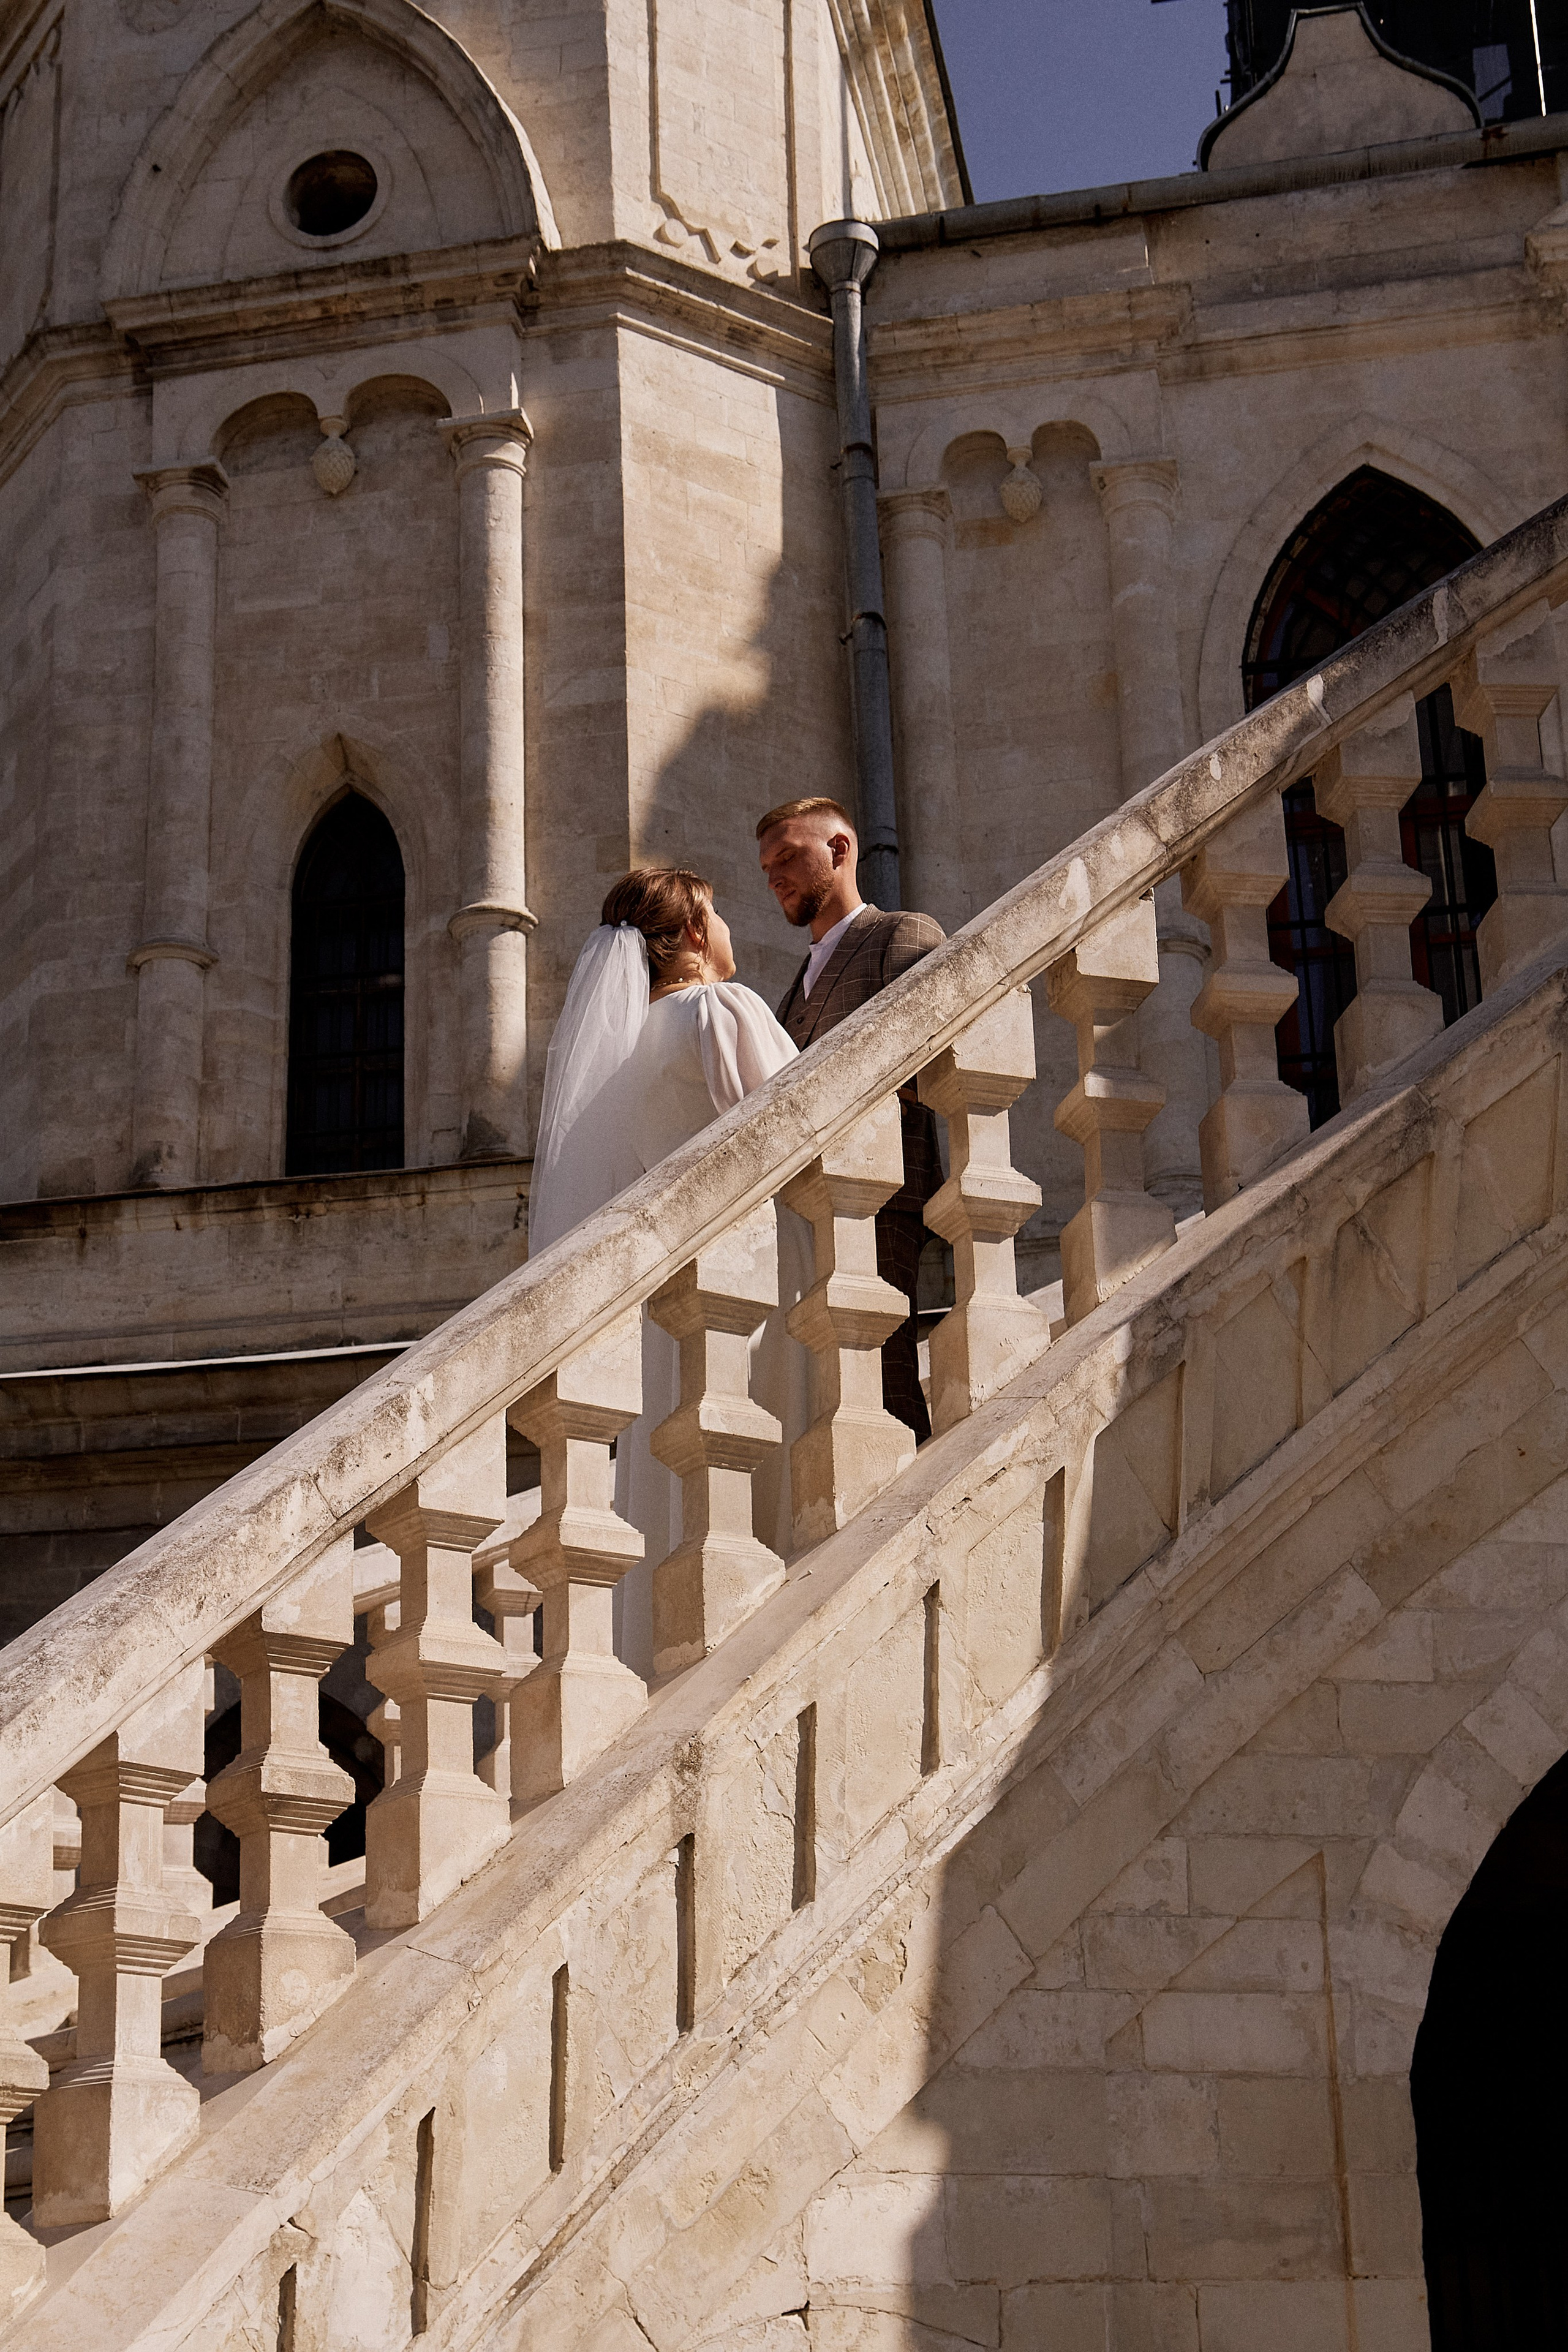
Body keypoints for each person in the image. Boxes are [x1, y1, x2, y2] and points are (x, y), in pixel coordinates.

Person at [528, 867, 809, 1675]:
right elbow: (803, 1123)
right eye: (715, 915)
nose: (726, 930)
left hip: (673, 1298)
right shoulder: (719, 1010)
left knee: (681, 1477)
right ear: (691, 934)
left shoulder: (625, 1052)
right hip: (759, 1270)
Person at [758, 796, 945, 1444]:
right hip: (805, 1211)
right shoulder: (791, 988)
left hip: (881, 1195)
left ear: (839, 850)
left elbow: (926, 1062)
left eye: (787, 857)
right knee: (831, 1394)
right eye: (766, 868)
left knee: (885, 1380)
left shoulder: (902, 934)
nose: (774, 877)